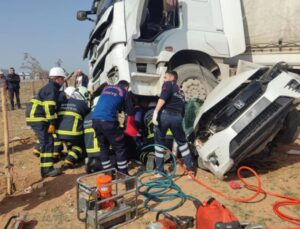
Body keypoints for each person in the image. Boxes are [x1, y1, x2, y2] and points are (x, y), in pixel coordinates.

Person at [152, 70, 194, 176]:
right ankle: (190, 170)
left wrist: (156, 111)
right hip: (178, 117)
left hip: (165, 115)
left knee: (159, 143)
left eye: (165, 77)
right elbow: (183, 110)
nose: (164, 79)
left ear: (172, 78)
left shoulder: (168, 84)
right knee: (182, 143)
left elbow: (163, 98)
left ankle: (160, 171)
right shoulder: (181, 91)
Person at [25, 67, 66, 178]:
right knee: (47, 142)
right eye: (63, 79)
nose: (63, 82)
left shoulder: (50, 87)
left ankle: (46, 168)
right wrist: (52, 122)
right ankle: (47, 170)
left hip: (36, 115)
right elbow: (48, 106)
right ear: (58, 79)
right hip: (38, 117)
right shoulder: (52, 88)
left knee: (48, 141)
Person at [92, 80, 129, 174]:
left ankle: (108, 173)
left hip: (95, 119)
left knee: (103, 147)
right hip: (108, 121)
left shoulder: (106, 88)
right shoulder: (124, 91)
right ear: (126, 87)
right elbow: (129, 110)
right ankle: (124, 174)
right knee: (119, 147)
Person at [56, 86, 90, 170]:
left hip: (59, 132)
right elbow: (88, 118)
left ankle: (57, 154)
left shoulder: (63, 102)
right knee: (80, 145)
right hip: (73, 133)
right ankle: (69, 160)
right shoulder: (83, 104)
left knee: (70, 142)